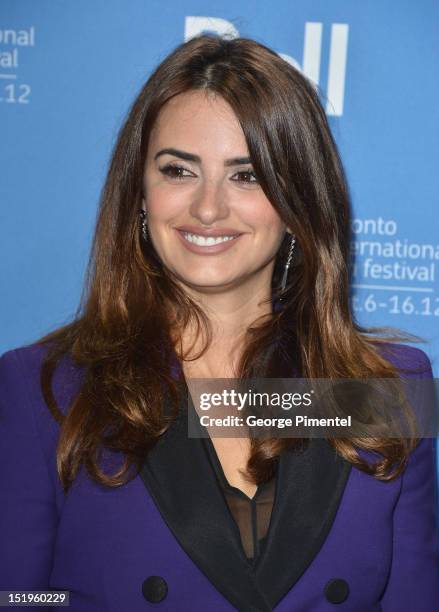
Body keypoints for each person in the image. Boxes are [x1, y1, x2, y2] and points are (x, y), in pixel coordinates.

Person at [1, 33, 438, 611]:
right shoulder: (46, 388)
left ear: (298, 200)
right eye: (178, 171)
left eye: (247, 175)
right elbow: (21, 598)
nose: (208, 208)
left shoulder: (386, 392)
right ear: (140, 192)